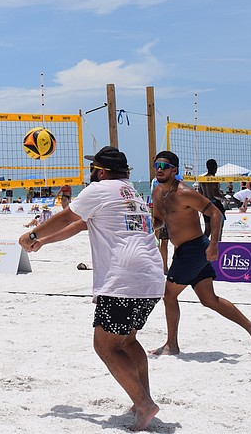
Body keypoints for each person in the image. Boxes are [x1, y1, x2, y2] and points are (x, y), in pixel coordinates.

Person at [19, 146, 165, 431]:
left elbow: (66, 217)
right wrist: (44, 242)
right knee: (127, 341)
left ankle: (145, 404)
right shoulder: (130, 193)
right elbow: (79, 225)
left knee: (105, 346)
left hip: (124, 279)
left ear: (99, 170)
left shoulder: (99, 189)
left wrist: (33, 233)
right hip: (150, 277)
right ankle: (141, 400)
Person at [150, 151, 251, 357]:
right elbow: (160, 220)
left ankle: (171, 345)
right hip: (185, 250)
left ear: (174, 170)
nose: (159, 169)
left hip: (194, 249)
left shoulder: (184, 192)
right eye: (156, 164)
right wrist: (148, 224)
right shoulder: (158, 193)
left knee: (168, 295)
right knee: (208, 299)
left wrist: (214, 244)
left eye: (164, 166)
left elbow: (215, 213)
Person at [197, 159, 226, 239]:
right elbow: (215, 194)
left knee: (208, 230)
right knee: (218, 230)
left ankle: (202, 247)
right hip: (215, 205)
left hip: (205, 205)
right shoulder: (214, 179)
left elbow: (200, 194)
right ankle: (218, 247)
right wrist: (225, 199)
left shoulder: (202, 179)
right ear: (215, 168)